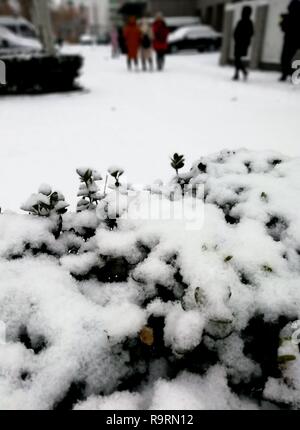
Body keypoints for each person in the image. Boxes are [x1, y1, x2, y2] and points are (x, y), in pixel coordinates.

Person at [279, 0, 300, 81]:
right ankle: (290, 74)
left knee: (285, 58)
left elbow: (283, 28)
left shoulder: (287, 17)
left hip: (289, 40)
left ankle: (286, 74)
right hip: (296, 40)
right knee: (291, 59)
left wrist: (282, 21)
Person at [233, 6, 254, 81]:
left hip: (243, 43)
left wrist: (243, 38)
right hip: (238, 42)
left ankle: (239, 73)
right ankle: (239, 73)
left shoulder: (249, 22)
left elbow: (251, 33)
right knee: (237, 58)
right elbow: (235, 32)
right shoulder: (241, 21)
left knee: (237, 58)